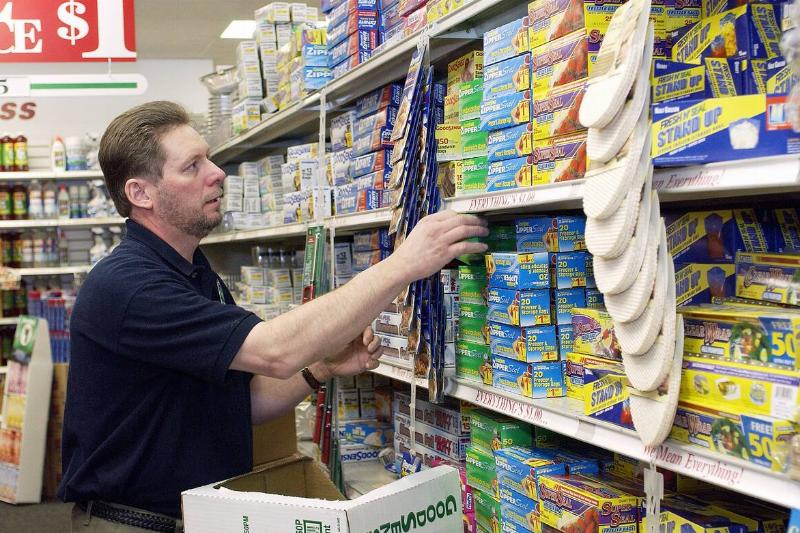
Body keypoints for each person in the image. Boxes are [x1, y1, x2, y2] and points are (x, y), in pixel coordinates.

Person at [58, 101, 488, 532]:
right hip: (136, 524)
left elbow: (241, 404)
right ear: (141, 193)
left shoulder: (193, 273)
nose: (217, 173)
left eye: (208, 158)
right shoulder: (130, 285)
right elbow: (276, 351)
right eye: (192, 166)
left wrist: (321, 368)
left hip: (199, 516)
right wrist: (404, 264)